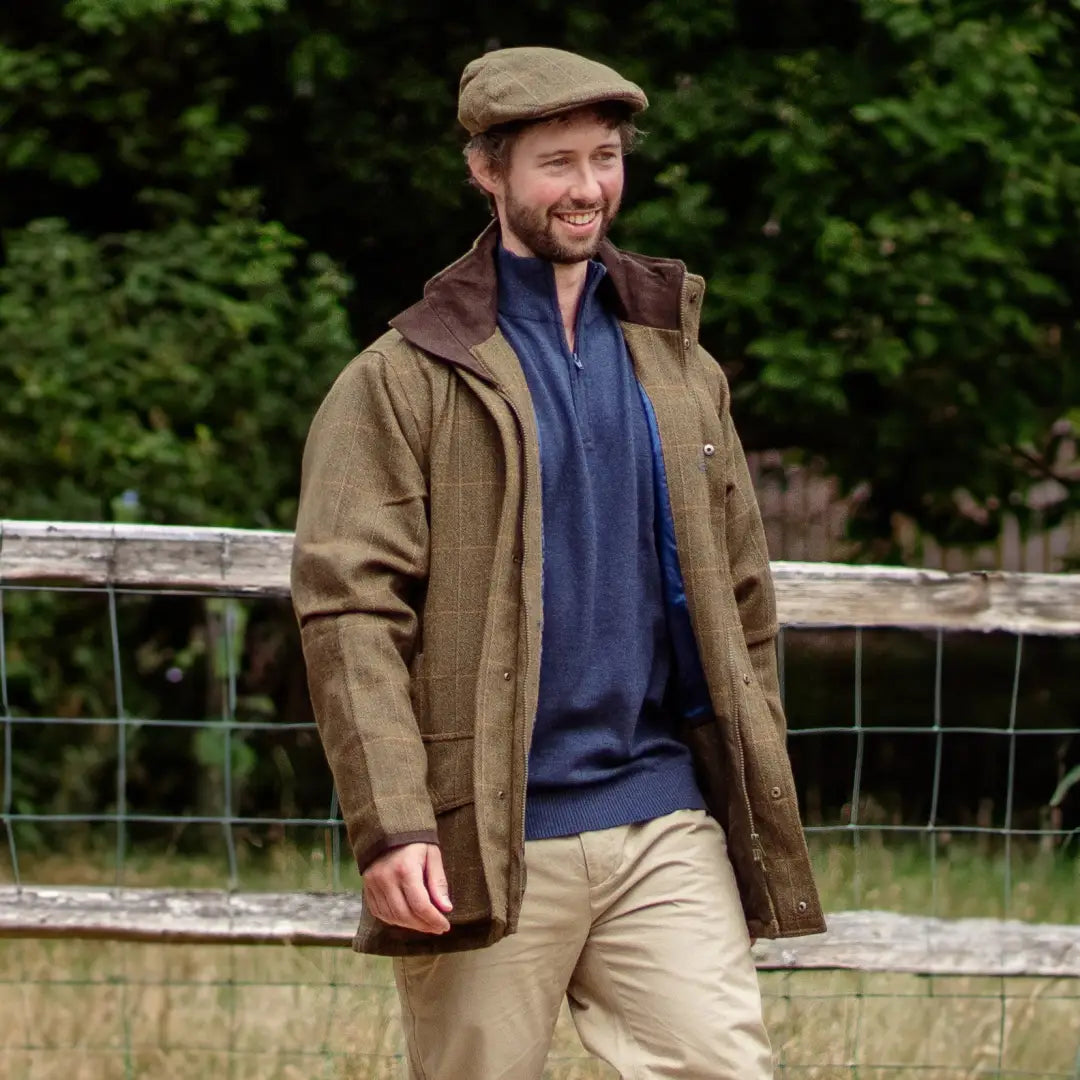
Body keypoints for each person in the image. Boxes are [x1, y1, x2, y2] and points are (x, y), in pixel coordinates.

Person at [292, 44, 824, 1080]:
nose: (589, 188)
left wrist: (751, 766)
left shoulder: (677, 362)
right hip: (485, 839)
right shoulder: (405, 379)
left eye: (607, 157)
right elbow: (349, 611)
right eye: (557, 163)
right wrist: (395, 823)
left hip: (662, 817)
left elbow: (744, 591)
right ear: (487, 171)